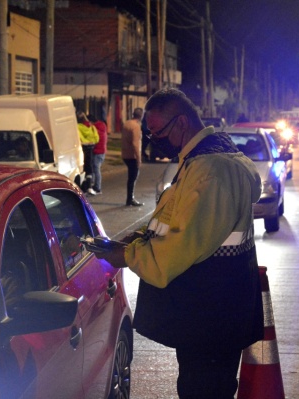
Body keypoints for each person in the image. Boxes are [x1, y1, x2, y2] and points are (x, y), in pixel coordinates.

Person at [98, 89, 264, 398]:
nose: (155, 139)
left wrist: (128, 254)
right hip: (216, 311)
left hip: (211, 314)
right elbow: (183, 224)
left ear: (182, 123)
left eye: (158, 132)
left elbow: (180, 247)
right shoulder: (211, 158)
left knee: (203, 389)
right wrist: (141, 237)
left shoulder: (210, 172)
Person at [121, 107, 144, 206]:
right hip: (132, 156)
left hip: (125, 154)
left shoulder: (127, 123)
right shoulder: (136, 126)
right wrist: (138, 158)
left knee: (131, 177)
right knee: (133, 178)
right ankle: (130, 199)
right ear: (141, 116)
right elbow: (135, 143)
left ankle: (130, 198)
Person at [76, 111, 99, 195]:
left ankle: (84, 188)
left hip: (83, 148)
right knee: (89, 168)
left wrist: (85, 142)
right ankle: (89, 186)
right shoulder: (91, 126)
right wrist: (91, 142)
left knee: (83, 168)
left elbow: (79, 138)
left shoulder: (77, 127)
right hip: (91, 148)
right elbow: (97, 138)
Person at [88, 114, 108, 194]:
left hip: (98, 151)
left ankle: (97, 187)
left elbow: (94, 139)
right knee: (94, 168)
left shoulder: (95, 128)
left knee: (96, 169)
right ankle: (93, 185)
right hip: (101, 151)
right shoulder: (101, 126)